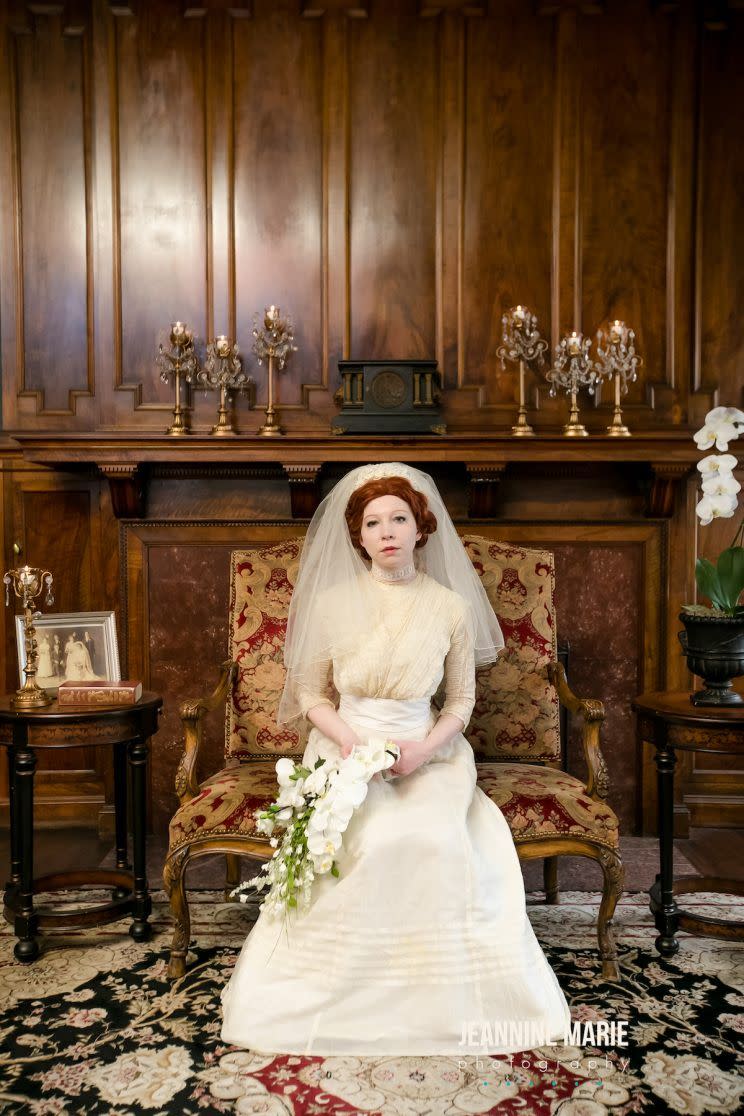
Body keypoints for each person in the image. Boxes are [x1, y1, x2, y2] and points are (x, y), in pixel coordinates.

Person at [221, 462, 572, 1056]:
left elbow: (460, 700)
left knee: (433, 838)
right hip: (343, 745)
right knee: (366, 839)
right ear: (358, 536)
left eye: (399, 519)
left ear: (420, 528)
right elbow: (311, 696)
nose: (387, 531)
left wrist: (421, 751)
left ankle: (441, 997)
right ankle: (336, 992)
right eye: (373, 521)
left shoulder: (450, 609)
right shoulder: (331, 605)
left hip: (427, 751)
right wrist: (354, 745)